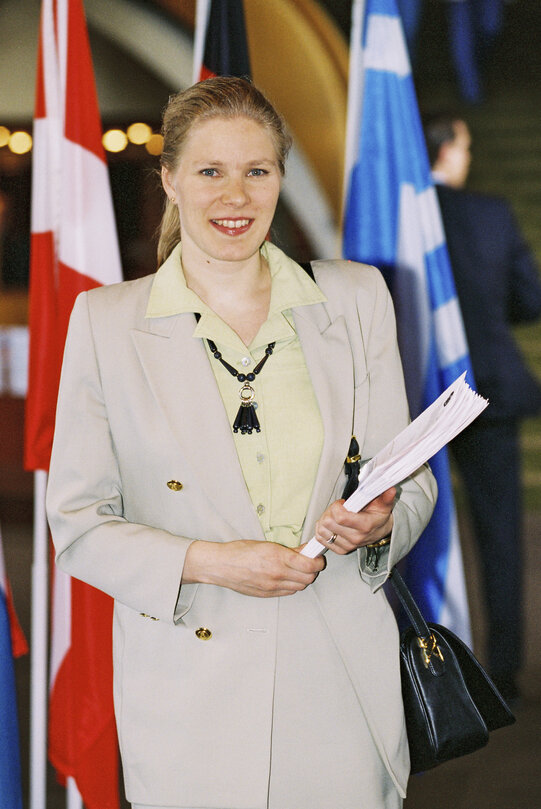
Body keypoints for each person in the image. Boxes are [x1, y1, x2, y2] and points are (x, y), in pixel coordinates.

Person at [46, 77, 436, 809]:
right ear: (169, 180)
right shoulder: (103, 322)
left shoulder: (355, 299)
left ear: (281, 177)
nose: (236, 195)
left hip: (341, 681)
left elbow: (408, 479)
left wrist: (380, 521)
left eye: (257, 170)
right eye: (209, 171)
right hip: (188, 695)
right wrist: (210, 561)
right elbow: (77, 522)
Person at [424, 112, 541, 702]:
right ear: (448, 150)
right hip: (487, 390)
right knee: (500, 535)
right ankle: (505, 672)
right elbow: (529, 299)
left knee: (411, 533)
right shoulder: (491, 214)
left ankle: (422, 669)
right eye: (465, 144)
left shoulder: (395, 219)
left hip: (416, 397)